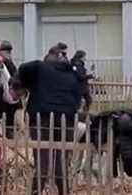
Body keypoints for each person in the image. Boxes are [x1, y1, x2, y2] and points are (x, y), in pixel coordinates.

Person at [18, 46, 82, 195]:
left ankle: (36, 192)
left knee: (42, 162)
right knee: (61, 161)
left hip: (42, 119)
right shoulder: (72, 74)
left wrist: (28, 84)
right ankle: (63, 192)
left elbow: (23, 68)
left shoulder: (40, 67)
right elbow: (78, 100)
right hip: (66, 120)